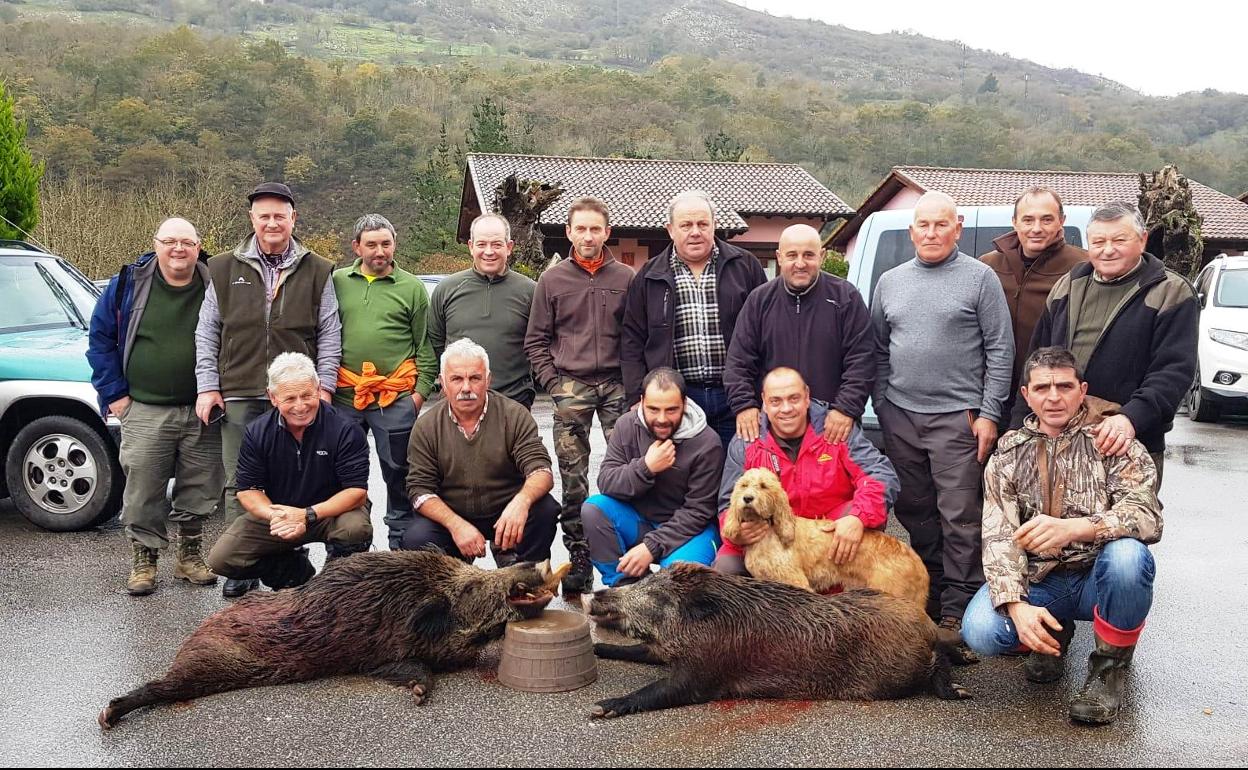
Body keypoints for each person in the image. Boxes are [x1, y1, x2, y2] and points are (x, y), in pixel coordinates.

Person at [962, 347, 1162, 725]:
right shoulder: (1007, 452)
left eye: (1064, 386)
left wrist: (1076, 528)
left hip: (1096, 579)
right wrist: (1015, 605)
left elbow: (1147, 516)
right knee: (981, 629)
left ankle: (1108, 669)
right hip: (1042, 581)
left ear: (1081, 389)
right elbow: (998, 534)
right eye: (1042, 388)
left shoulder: (1112, 441)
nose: (1053, 397)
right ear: (1026, 395)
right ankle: (1053, 637)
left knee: (1129, 558)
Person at [871, 190, 1013, 654]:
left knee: (960, 515)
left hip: (958, 418)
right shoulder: (891, 281)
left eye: (940, 225)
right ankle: (929, 592)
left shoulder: (980, 279)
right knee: (915, 511)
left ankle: (959, 604)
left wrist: (989, 413)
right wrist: (884, 405)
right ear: (912, 231)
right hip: (901, 415)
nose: (931, 233)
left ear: (958, 227)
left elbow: (1000, 349)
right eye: (923, 226)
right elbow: (878, 348)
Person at [195, 181, 342, 597]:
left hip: (299, 396)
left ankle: (293, 556)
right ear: (252, 220)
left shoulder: (318, 269)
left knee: (301, 476)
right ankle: (242, 566)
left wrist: (324, 388)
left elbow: (330, 333)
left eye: (281, 215)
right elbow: (207, 332)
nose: (273, 223)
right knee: (239, 482)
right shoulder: (222, 268)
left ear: (293, 219)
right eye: (265, 216)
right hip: (239, 392)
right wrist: (208, 386)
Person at [87, 217, 222, 595]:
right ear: (156, 244)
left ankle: (189, 556)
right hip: (144, 408)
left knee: (200, 486)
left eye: (187, 242)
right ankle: (144, 560)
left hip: (203, 407)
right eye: (170, 241)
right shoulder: (128, 284)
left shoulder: (215, 283)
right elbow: (99, 339)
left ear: (198, 247)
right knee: (143, 488)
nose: (178, 249)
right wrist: (116, 396)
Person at [1023, 201, 1198, 487]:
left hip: (1128, 439)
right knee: (1059, 525)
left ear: (1142, 240)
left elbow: (1174, 372)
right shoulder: (1068, 286)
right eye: (1098, 241)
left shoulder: (1171, 292)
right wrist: (1022, 424)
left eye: (1119, 240)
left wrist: (1131, 418)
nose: (1107, 249)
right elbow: (1036, 361)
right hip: (1060, 437)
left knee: (1126, 525)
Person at [524, 197, 633, 593]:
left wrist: (633, 384)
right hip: (572, 385)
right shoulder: (552, 281)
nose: (588, 236)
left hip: (618, 386)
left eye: (595, 229)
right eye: (580, 229)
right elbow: (536, 339)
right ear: (569, 232)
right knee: (574, 480)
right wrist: (554, 384)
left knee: (625, 474)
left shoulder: (626, 278)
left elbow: (637, 336)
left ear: (607, 232)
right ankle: (580, 558)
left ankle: (624, 560)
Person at [206, 353, 372, 590]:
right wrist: (276, 516)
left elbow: (356, 492)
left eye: (307, 395)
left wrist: (306, 515)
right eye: (290, 398)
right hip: (280, 512)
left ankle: (337, 583)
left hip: (331, 512)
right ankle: (293, 572)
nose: (300, 406)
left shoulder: (346, 429)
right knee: (221, 558)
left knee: (356, 529)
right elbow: (248, 490)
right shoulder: (257, 432)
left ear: (317, 388)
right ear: (272, 397)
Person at [714, 367, 898, 576]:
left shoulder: (837, 429)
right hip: (768, 536)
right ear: (764, 401)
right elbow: (728, 500)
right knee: (726, 570)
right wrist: (738, 533)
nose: (786, 408)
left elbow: (880, 475)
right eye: (776, 401)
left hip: (824, 536)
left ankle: (847, 595)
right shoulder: (746, 440)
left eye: (794, 398)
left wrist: (858, 517)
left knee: (866, 515)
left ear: (807, 397)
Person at [621, 190, 767, 447]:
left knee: (740, 472)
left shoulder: (745, 266)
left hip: (737, 395)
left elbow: (766, 333)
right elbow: (632, 340)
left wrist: (759, 394)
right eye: (686, 225)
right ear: (670, 230)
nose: (695, 231)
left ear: (714, 225)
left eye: (702, 224)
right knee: (683, 475)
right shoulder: (649, 276)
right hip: (679, 399)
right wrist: (637, 395)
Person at [402, 338, 558, 564]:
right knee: (416, 537)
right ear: (443, 384)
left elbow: (542, 470)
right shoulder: (426, 426)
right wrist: (456, 525)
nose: (466, 388)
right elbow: (419, 490)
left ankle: (526, 577)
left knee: (545, 510)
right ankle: (452, 579)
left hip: (506, 513)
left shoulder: (514, 415)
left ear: (488, 380)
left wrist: (521, 503)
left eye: (475, 378)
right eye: (457, 379)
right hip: (453, 514)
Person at [333, 213, 438, 549]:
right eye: (371, 244)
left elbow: (425, 346)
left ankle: (401, 542)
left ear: (394, 244)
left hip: (395, 398)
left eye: (386, 243)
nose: (379, 251)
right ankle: (348, 542)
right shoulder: (337, 282)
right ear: (356, 247)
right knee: (344, 471)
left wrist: (417, 396)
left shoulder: (411, 287)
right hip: (345, 398)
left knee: (399, 472)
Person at [724, 223, 874, 445]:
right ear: (780, 257)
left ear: (822, 256)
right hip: (773, 426)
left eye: (809, 255)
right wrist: (745, 406)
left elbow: (862, 360)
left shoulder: (846, 298)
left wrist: (845, 409)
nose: (800, 263)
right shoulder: (759, 301)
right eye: (792, 255)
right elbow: (739, 362)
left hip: (832, 426)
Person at [582, 367, 723, 587]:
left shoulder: (707, 442)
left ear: (684, 404)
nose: (662, 419)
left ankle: (666, 593)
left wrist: (651, 546)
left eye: (671, 410)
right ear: (641, 402)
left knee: (681, 584)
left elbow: (699, 512)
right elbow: (607, 482)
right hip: (640, 522)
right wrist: (646, 467)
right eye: (653, 409)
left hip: (689, 531)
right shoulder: (626, 426)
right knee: (593, 509)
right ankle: (625, 589)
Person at [979, 186, 1086, 427]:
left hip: (1053, 399)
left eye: (1046, 219)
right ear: (1014, 222)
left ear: (1062, 221)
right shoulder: (988, 266)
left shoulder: (1082, 267)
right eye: (1028, 219)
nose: (1036, 228)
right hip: (994, 397)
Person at [428, 214, 536, 408]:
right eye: (481, 244)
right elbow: (435, 344)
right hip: (460, 399)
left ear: (509, 247)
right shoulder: (447, 289)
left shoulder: (530, 291)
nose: (489, 252)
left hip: (514, 400)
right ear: (470, 246)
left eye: (496, 244)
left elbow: (540, 344)